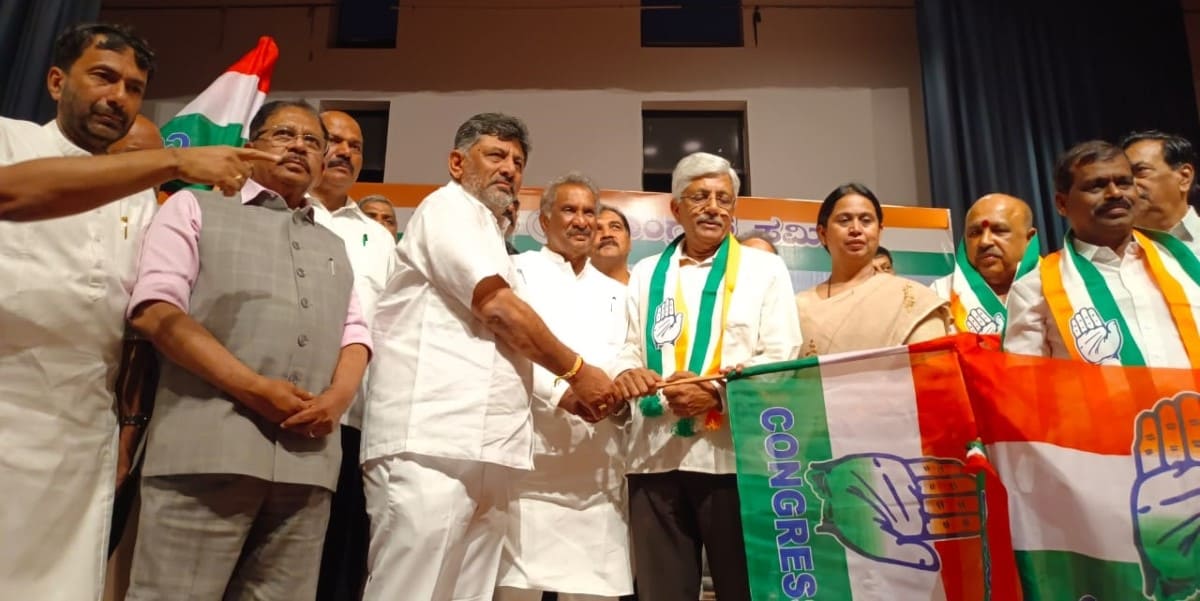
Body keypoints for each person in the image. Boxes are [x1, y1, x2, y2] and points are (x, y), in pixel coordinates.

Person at [361, 113, 618, 601]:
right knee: (408, 591)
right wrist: (579, 372)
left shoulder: (492, 237)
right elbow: (497, 310)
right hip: (430, 442)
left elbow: (506, 351)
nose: (509, 169)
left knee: (467, 593)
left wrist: (566, 396)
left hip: (491, 449)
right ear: (457, 163)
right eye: (495, 155)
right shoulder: (447, 208)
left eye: (518, 161)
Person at [123, 100, 372, 599]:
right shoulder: (194, 207)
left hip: (309, 465)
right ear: (251, 145)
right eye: (283, 134)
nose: (300, 146)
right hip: (206, 450)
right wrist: (255, 389)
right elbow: (154, 310)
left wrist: (337, 399)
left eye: (312, 142)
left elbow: (357, 333)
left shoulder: (336, 244)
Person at [609, 152, 802, 601]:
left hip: (731, 458)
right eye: (700, 197)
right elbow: (626, 347)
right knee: (662, 592)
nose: (714, 207)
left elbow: (782, 356)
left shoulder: (764, 270)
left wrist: (715, 394)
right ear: (676, 209)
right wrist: (628, 372)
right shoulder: (645, 273)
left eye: (724, 199)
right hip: (653, 456)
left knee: (744, 590)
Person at [496, 172, 632, 601]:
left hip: (599, 471)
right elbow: (507, 349)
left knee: (596, 590)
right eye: (569, 210)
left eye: (589, 212)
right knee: (516, 589)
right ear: (545, 220)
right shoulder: (515, 272)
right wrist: (563, 394)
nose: (580, 221)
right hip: (528, 470)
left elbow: (628, 356)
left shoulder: (620, 293)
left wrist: (618, 397)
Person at [1005, 140, 1200, 368]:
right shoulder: (1034, 287)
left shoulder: (1184, 261)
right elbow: (1027, 385)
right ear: (1062, 203)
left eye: (1124, 183)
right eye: (1096, 186)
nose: (1115, 193)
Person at [308, 110, 398, 601]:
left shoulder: (379, 238)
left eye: (355, 145)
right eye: (333, 141)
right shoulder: (275, 210)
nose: (343, 151)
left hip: (354, 422)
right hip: (281, 406)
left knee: (340, 559)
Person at [795, 183, 949, 356]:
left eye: (866, 221)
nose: (856, 229)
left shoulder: (913, 300)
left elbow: (934, 373)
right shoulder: (798, 307)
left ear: (879, 231)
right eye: (844, 220)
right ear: (822, 234)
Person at [930, 193, 1039, 334]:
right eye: (975, 233)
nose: (984, 241)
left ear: (1028, 238)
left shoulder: (1056, 283)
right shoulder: (939, 294)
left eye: (999, 231)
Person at [1121, 130, 1200, 252]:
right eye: (1123, 177)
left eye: (1141, 170)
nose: (1129, 184)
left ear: (1184, 177)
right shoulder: (1110, 251)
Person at [592, 203, 633, 284]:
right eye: (597, 229)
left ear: (629, 242)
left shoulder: (648, 288)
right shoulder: (570, 290)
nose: (607, 234)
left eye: (615, 227)